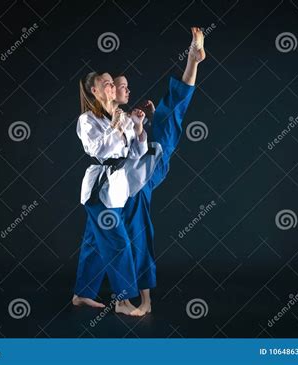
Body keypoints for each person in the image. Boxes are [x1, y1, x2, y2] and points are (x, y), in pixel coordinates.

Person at [72, 27, 206, 316]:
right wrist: (130, 123)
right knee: (105, 240)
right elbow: (105, 150)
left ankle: (122, 298)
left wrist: (141, 125)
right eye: (115, 85)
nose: (122, 89)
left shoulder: (126, 117)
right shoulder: (94, 119)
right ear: (100, 91)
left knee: (114, 238)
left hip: (130, 182)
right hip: (117, 186)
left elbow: (136, 150)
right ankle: (113, 297)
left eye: (117, 85)